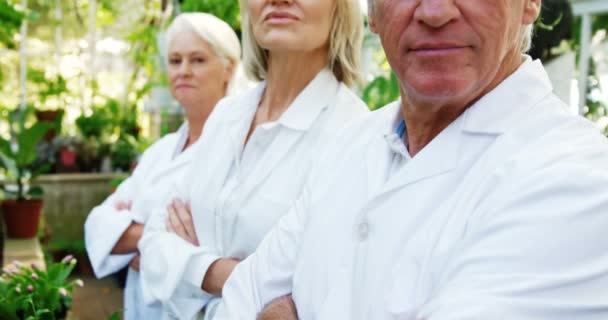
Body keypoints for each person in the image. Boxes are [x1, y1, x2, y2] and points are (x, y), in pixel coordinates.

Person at [214, 0, 608, 319]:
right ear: (373, 13)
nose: (435, 12)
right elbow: (241, 298)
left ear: (529, 3)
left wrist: (280, 308)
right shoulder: (351, 145)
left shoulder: (578, 178)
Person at [137, 0, 368, 319]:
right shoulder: (225, 115)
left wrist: (189, 266)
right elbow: (153, 244)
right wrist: (232, 276)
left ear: (341, 8)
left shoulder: (354, 133)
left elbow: (319, 293)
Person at [84, 13, 242, 320]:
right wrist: (163, 242)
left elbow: (225, 251)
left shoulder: (239, 151)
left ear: (229, 68)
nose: (183, 71)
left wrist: (136, 241)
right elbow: (97, 224)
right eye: (175, 60)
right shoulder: (160, 151)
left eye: (197, 60)